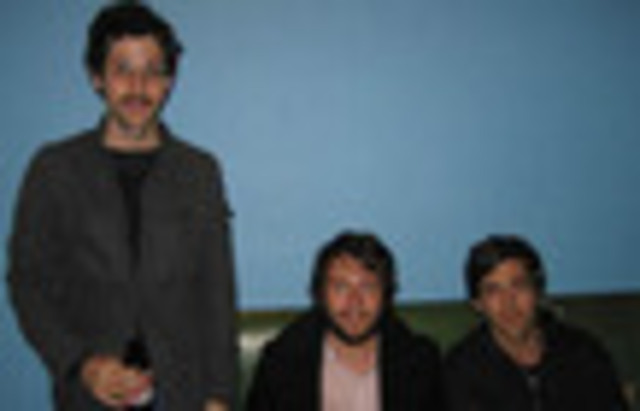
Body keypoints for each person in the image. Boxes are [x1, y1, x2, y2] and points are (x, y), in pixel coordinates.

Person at [7, 1, 236, 410]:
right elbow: (28, 283)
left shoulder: (199, 171)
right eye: (122, 69)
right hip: (89, 396)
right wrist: (80, 364)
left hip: (184, 395)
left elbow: (216, 293)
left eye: (153, 71)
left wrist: (220, 396)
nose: (138, 86)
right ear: (96, 77)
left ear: (169, 81)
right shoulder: (54, 169)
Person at [246, 231, 445, 411]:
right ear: (320, 294)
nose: (354, 302)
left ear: (386, 295)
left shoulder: (420, 363)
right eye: (340, 287)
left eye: (367, 287)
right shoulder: (281, 363)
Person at [445, 234, 628, 411]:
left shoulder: (582, 353)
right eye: (493, 291)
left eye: (519, 285)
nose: (509, 303)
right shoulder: (462, 370)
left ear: (537, 290)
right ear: (477, 303)